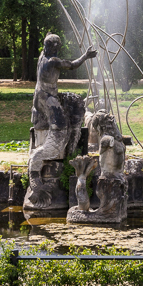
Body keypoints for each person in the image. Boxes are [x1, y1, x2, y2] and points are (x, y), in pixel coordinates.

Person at [28, 34, 96, 178]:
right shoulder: (52, 61)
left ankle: (69, 152)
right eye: (57, 45)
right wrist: (86, 56)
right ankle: (39, 157)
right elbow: (72, 65)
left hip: (42, 95)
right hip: (46, 97)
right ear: (55, 47)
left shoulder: (42, 56)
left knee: (74, 101)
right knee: (61, 127)